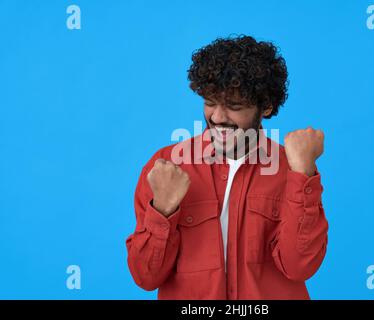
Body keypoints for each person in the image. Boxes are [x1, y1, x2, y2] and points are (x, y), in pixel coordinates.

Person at [126, 35, 328, 299]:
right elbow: (146, 276)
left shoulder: (293, 168)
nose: (218, 117)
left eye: (234, 106)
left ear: (265, 106)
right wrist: (162, 210)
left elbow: (299, 266)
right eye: (210, 102)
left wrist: (303, 175)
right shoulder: (168, 165)